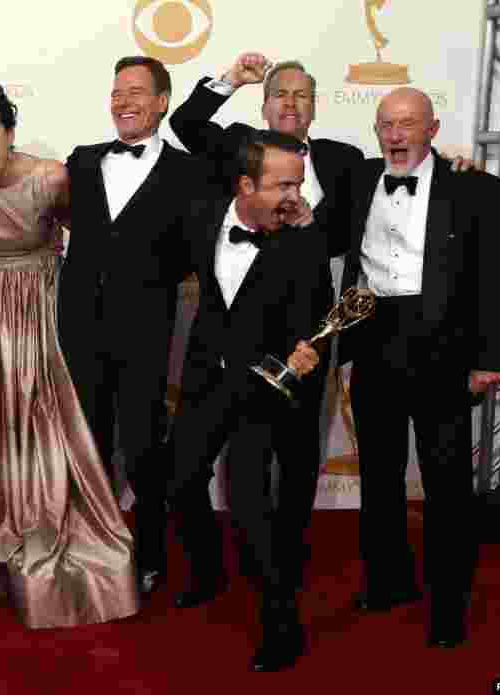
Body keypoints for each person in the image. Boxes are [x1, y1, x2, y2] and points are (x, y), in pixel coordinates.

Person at [0, 79, 139, 628]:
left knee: (45, 419)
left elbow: (88, 235)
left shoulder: (50, 177)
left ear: (10, 132)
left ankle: (45, 527)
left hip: (42, 300)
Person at [170, 55, 363, 589]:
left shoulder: (344, 161)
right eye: (282, 93)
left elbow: (398, 182)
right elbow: (186, 125)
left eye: (303, 95)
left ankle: (286, 563)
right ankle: (216, 570)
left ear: (316, 107)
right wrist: (229, 79)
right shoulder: (238, 150)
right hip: (228, 351)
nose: (291, 104)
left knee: (297, 463)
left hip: (306, 336)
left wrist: (454, 164)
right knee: (209, 476)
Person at [339, 87, 500, 648]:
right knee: (381, 478)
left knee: (446, 485)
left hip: (444, 350)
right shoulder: (354, 178)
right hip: (373, 344)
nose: (395, 134)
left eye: (408, 124)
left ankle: (448, 607)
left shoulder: (476, 188)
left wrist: (488, 360)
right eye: (386, 124)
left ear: (432, 129)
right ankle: (388, 583)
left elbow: (496, 276)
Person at [59, 56, 221, 594]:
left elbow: (202, 249)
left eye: (135, 92)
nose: (123, 102)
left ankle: (149, 555)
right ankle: (87, 551)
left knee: (146, 447)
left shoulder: (189, 171)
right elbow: (22, 196)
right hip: (80, 326)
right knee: (87, 444)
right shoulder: (80, 162)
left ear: (161, 102)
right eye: (116, 92)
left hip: (146, 331)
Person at [169, 130, 327, 672]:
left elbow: (320, 317)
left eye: (299, 184)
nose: (295, 196)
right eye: (283, 184)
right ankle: (208, 573)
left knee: (251, 507)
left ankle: (283, 627)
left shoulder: (305, 238)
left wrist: (308, 351)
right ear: (244, 185)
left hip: (263, 387)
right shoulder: (203, 214)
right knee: (182, 479)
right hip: (207, 377)